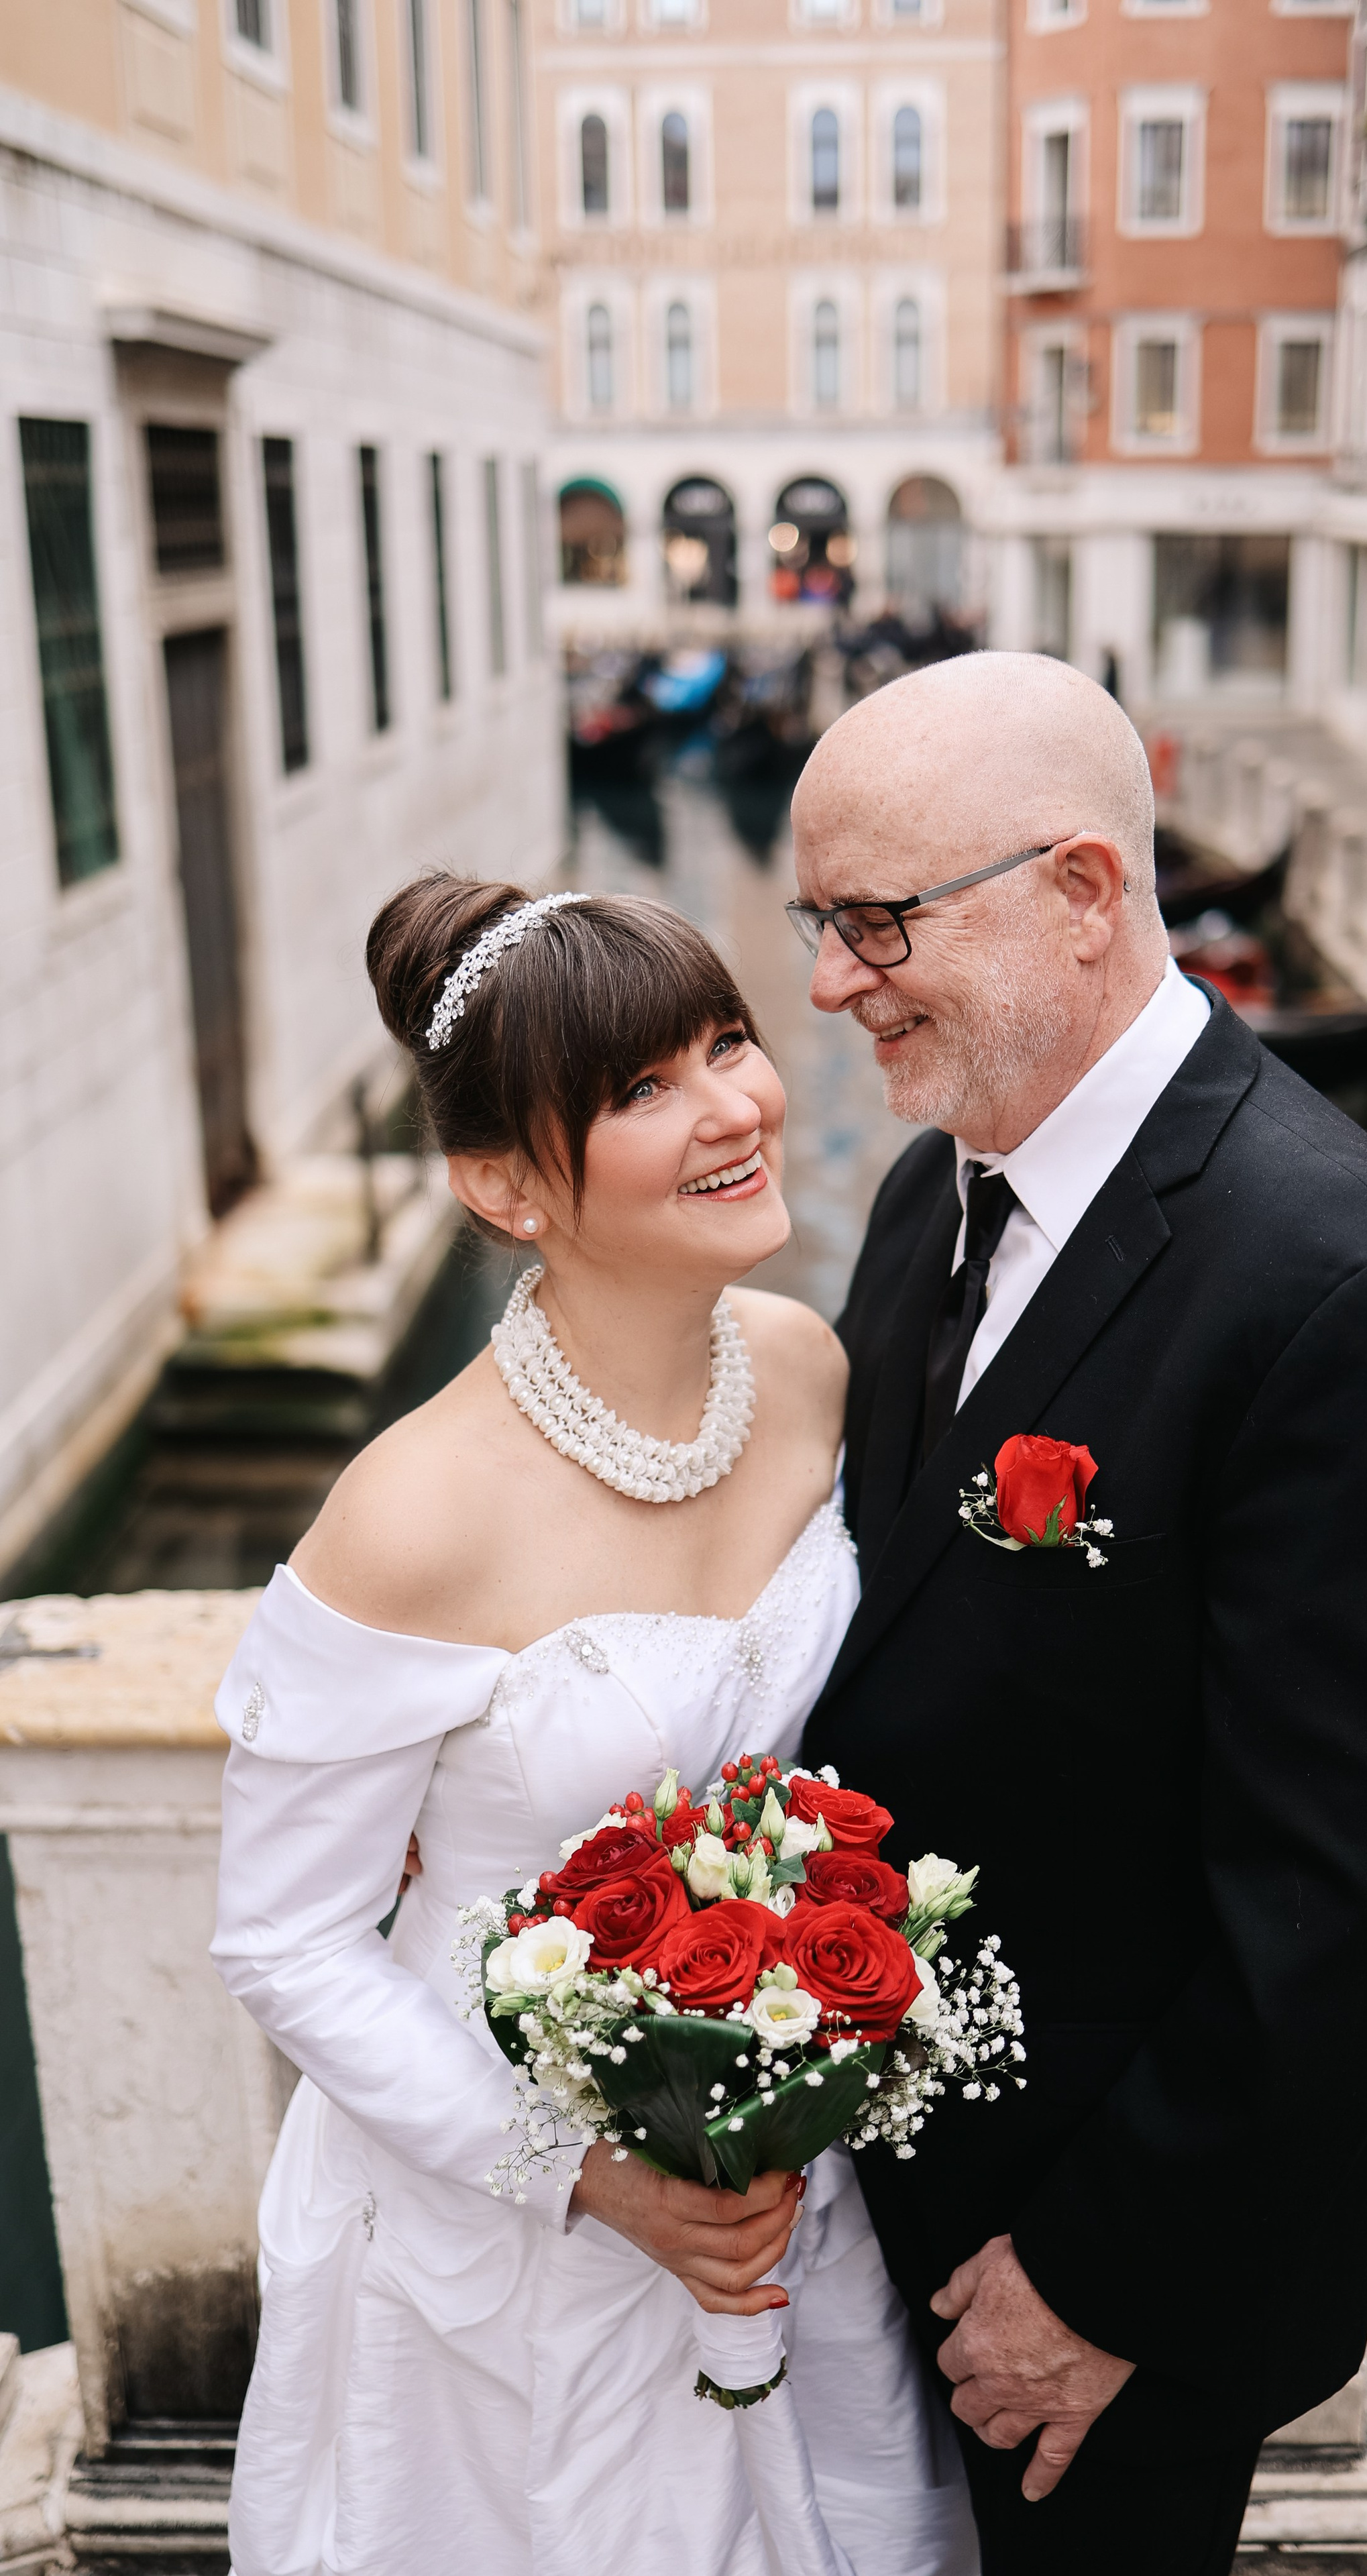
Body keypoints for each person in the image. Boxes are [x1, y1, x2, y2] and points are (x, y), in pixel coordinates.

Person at [787, 652, 1367, 2573]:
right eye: (818, 923)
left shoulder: (1341, 1282)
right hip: (888, 2204)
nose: (830, 982)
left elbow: (1349, 1890)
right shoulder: (931, 1193)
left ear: (1083, 892)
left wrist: (1097, 2277)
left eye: (875, 921)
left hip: (1113, 2270)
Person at [210, 879, 977, 2576]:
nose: (733, 1107)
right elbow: (283, 1938)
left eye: (726, 1044)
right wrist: (590, 2175)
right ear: (502, 1184)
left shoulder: (803, 1369)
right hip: (501, 2213)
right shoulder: (410, 1512)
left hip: (769, 2165)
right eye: (642, 1088)